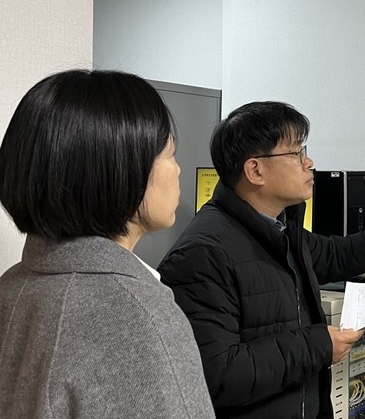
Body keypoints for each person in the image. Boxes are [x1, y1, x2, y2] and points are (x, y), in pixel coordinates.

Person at [157, 101, 365, 418]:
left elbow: (339, 254)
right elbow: (217, 374)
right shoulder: (203, 254)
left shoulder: (278, 230)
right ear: (255, 170)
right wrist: (317, 346)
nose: (309, 162)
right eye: (296, 153)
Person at [0, 70, 215, 418]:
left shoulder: (14, 285)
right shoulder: (133, 313)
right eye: (170, 153)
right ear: (120, 169)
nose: (177, 170)